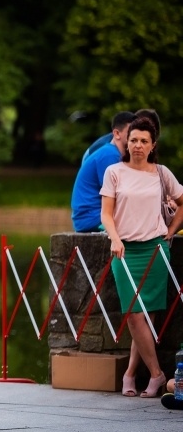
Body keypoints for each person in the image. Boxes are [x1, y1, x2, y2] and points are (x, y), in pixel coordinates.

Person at [101, 116, 183, 398]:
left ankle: (131, 374)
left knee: (145, 319)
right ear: (126, 141)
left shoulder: (162, 173)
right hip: (124, 252)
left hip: (155, 251)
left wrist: (171, 231)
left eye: (143, 141)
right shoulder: (114, 171)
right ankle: (158, 375)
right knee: (134, 316)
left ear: (152, 145)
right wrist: (114, 238)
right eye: (133, 139)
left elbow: (182, 202)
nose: (137, 145)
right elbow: (106, 214)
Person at [71, 111, 136, 232]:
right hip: (91, 218)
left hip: (96, 216)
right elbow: (119, 196)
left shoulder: (114, 154)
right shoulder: (109, 156)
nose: (136, 137)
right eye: (131, 133)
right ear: (117, 134)